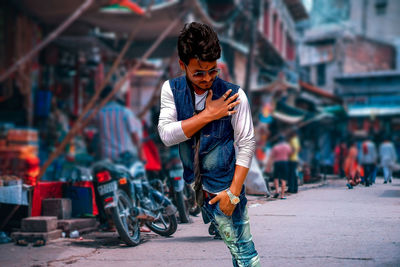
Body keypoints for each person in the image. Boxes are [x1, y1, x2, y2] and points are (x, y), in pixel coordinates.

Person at [158, 22, 260, 266]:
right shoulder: (171, 90)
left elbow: (246, 143)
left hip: (225, 188)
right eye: (199, 73)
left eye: (213, 71)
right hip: (196, 186)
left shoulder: (235, 95)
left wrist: (233, 194)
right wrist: (209, 115)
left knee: (244, 253)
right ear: (183, 65)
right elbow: (166, 134)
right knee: (237, 252)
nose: (207, 79)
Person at [93, 85, 144, 161]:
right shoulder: (125, 112)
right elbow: (135, 136)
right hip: (124, 157)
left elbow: (82, 121)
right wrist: (141, 155)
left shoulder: (99, 113)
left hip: (106, 157)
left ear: (101, 98)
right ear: (115, 98)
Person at [288, 129, 300, 194]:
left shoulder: (292, 140)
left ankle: (291, 189)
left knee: (291, 175)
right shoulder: (297, 140)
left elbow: (293, 149)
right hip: (295, 158)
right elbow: (298, 148)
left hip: (291, 159)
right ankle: (295, 188)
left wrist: (289, 154)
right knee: (294, 174)